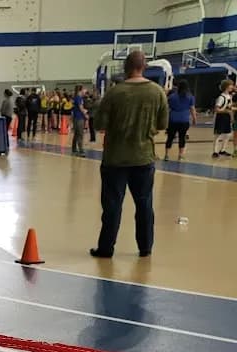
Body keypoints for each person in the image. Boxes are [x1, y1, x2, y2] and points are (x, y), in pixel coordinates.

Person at [90, 50, 169, 259]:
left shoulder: (115, 93)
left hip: (115, 158)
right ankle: (145, 247)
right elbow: (162, 124)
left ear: (126, 67)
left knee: (112, 205)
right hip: (143, 157)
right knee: (144, 203)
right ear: (144, 67)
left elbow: (99, 124)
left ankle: (106, 248)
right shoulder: (157, 92)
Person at [164, 80, 196, 160]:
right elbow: (192, 109)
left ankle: (167, 154)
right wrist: (194, 118)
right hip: (184, 119)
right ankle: (180, 155)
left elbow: (167, 108)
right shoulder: (190, 97)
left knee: (170, 137)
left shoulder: (172, 97)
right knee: (182, 138)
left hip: (173, 119)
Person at [213, 79, 234, 157]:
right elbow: (216, 109)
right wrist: (226, 111)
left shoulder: (229, 96)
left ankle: (223, 150)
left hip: (227, 117)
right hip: (221, 117)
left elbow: (230, 108)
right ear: (226, 87)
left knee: (228, 134)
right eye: (231, 85)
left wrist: (231, 116)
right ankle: (215, 152)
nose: (232, 86)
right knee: (218, 135)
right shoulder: (221, 97)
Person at [72, 85, 88, 156]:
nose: (85, 90)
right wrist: (86, 114)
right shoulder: (79, 98)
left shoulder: (77, 97)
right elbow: (81, 108)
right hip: (79, 118)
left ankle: (74, 149)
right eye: (84, 89)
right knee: (80, 134)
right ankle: (81, 150)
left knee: (76, 134)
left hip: (76, 118)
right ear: (80, 90)